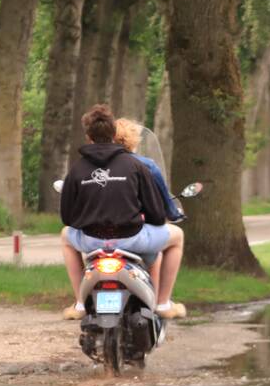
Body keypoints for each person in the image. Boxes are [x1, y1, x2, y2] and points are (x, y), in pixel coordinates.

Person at [59, 104, 186, 320]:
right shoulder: (135, 165)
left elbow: (68, 218)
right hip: (132, 240)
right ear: (113, 133)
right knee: (177, 237)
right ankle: (163, 303)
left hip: (92, 242)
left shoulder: (77, 169)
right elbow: (155, 213)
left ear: (88, 136)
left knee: (65, 236)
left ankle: (80, 304)